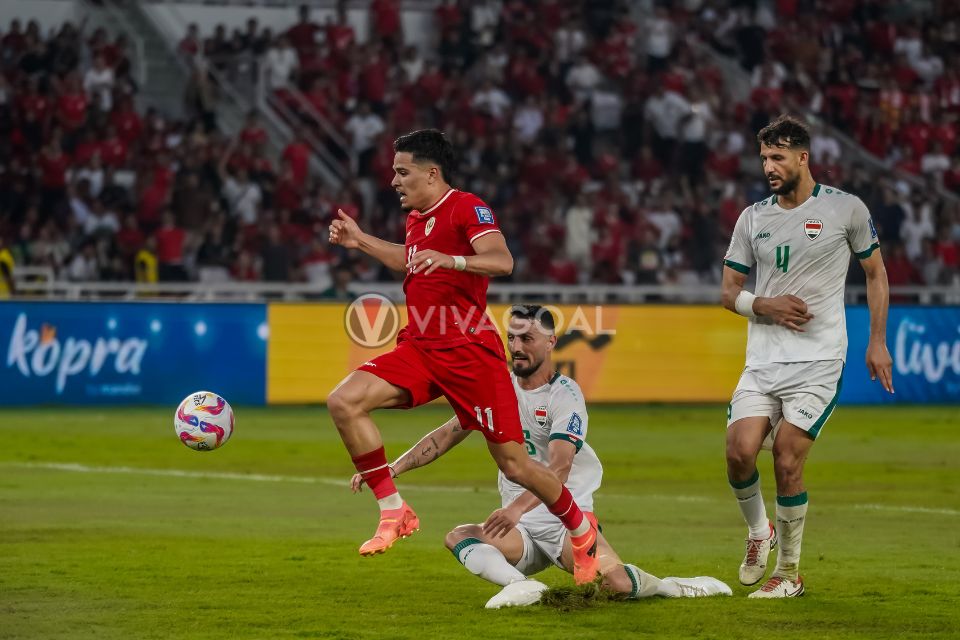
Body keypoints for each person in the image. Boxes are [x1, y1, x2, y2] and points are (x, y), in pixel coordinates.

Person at [327, 129, 600, 584]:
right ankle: (394, 510)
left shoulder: (468, 206)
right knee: (343, 401)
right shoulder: (417, 218)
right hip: (421, 345)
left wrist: (453, 261)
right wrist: (361, 242)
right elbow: (413, 258)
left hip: (470, 353)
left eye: (402, 171)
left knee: (516, 465)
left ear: (432, 173)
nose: (394, 181)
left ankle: (578, 528)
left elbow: (501, 260)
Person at [351, 305, 732, 608]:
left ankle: (675, 588)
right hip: (520, 532)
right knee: (460, 537)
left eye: (527, 338)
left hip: (568, 523)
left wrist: (515, 508)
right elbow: (447, 435)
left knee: (615, 584)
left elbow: (560, 467)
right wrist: (391, 468)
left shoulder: (564, 395)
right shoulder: (495, 386)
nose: (516, 347)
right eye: (512, 338)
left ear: (550, 343)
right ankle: (523, 588)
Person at [721, 115, 894, 598]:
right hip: (763, 361)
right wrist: (765, 305)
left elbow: (876, 274)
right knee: (737, 454)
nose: (768, 167)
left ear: (803, 157)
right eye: (763, 159)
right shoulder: (752, 217)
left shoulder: (846, 210)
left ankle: (789, 573)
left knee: (786, 455)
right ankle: (760, 532)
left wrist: (876, 341)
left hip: (819, 360)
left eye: (777, 157)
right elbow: (728, 292)